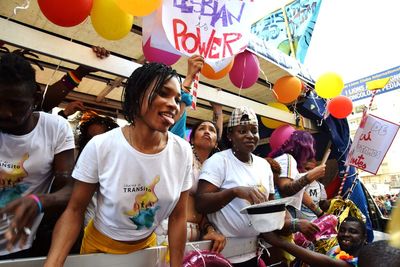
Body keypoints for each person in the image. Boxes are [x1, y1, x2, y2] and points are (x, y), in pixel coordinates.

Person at [45, 62, 192, 267]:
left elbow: (178, 218)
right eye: (163, 93)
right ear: (137, 94)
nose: (173, 105)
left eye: (177, 99)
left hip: (146, 252)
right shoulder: (101, 146)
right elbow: (74, 210)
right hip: (98, 251)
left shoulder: (183, 152)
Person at [196, 107, 321, 266]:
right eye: (242, 131)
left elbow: (270, 211)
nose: (249, 136)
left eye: (254, 131)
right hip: (221, 254)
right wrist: (235, 192)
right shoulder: (218, 161)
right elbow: (201, 203)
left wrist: (295, 224)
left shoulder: (263, 165)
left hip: (252, 252)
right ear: (230, 135)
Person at [0, 53, 75, 258]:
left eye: (16, 104)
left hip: (18, 246)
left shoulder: (55, 129)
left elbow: (69, 187)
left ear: (35, 97)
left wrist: (39, 201)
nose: (5, 112)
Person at [268, 126, 326, 219]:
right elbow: (286, 189)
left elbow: (299, 192)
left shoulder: (286, 161)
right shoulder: (287, 158)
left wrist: (321, 214)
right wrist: (310, 176)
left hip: (283, 213)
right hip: (281, 214)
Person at [263, 216, 367, 267]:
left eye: (353, 232)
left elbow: (327, 262)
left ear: (364, 237)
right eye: (342, 230)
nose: (346, 234)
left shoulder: (363, 262)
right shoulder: (334, 250)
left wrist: (280, 242)